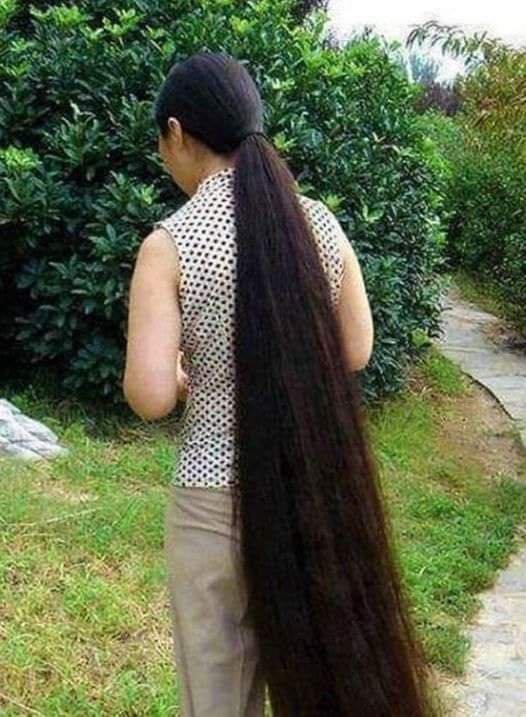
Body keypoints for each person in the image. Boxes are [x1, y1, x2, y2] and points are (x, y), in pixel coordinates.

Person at [123, 52, 438, 717]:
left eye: (161, 142)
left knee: (218, 694)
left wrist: (180, 377)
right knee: (331, 679)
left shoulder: (170, 244)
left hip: (213, 499)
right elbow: (355, 348)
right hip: (311, 488)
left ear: (177, 132)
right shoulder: (316, 221)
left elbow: (149, 395)